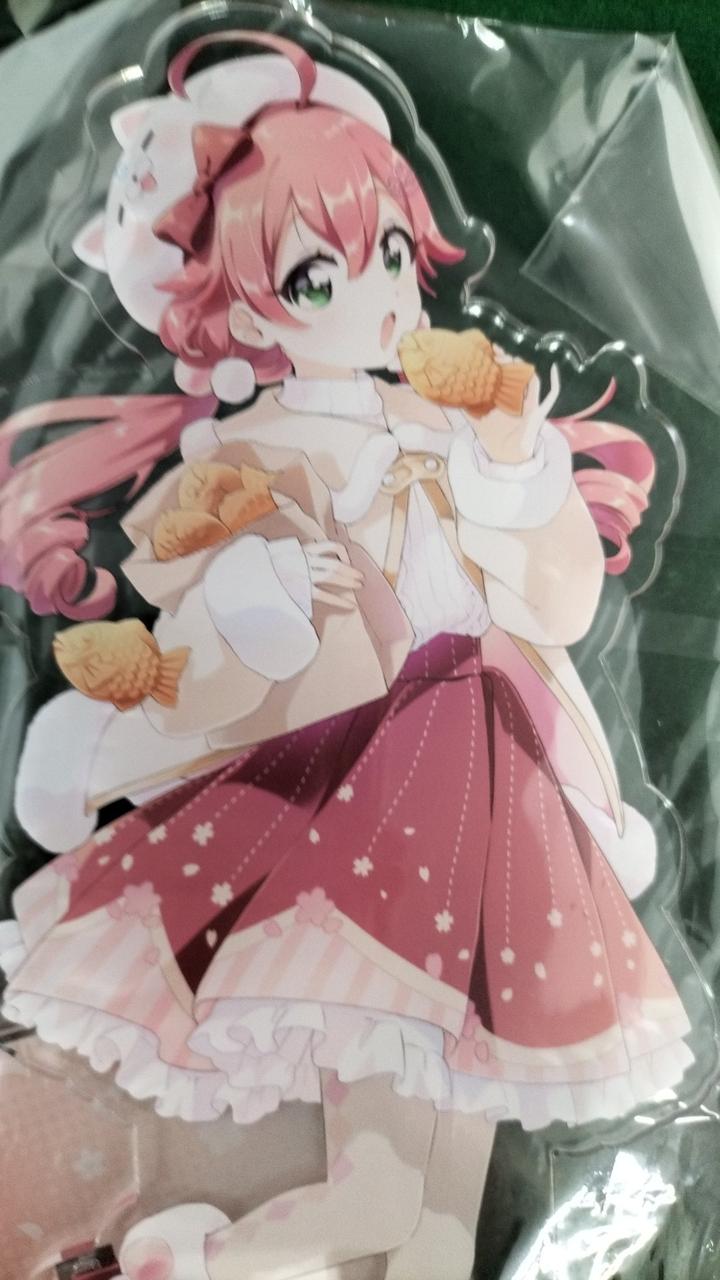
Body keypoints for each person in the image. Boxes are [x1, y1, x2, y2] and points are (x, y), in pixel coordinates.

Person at [0, 29, 692, 1280]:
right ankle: (190, 1259)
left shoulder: (459, 424)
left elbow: (551, 599)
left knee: (435, 1234)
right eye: (316, 276)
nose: (377, 295)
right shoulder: (249, 458)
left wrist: (509, 462)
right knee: (376, 1191)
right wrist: (264, 590)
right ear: (237, 307)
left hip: (500, 798)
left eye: (391, 254)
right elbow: (215, 657)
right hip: (365, 811)